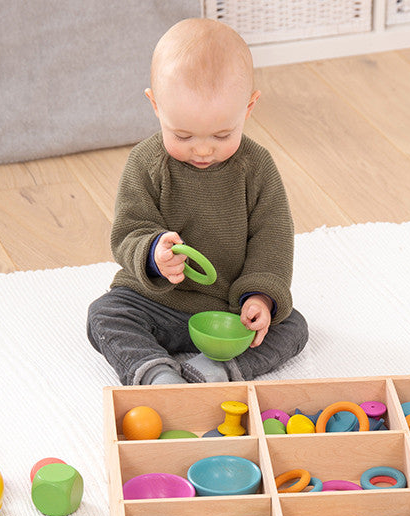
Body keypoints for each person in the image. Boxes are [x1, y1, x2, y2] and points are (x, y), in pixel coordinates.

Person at [87, 18, 308, 385]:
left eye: (223, 134)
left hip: (228, 311)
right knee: (105, 314)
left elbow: (273, 239)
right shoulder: (146, 163)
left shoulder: (257, 167)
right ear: (155, 105)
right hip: (157, 302)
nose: (204, 149)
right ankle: (155, 371)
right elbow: (129, 230)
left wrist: (260, 299)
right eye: (183, 134)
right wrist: (154, 254)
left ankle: (219, 369)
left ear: (249, 108)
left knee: (293, 326)